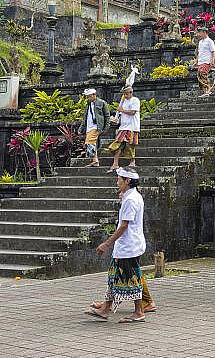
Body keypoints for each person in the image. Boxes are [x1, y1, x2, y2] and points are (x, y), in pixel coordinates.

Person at [85, 167, 147, 323]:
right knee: (114, 275)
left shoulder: (131, 199)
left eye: (119, 179)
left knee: (132, 278)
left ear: (128, 181)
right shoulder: (131, 196)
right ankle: (106, 308)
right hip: (126, 246)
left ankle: (139, 311)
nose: (117, 181)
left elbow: (124, 225)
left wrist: (107, 243)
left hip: (129, 246)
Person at [106, 86, 140, 173]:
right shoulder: (123, 101)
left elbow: (133, 112)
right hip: (123, 127)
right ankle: (115, 163)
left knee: (130, 144)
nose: (125, 95)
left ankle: (132, 161)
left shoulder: (135, 100)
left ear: (131, 93)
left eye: (126, 94)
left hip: (132, 127)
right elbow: (122, 114)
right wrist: (116, 120)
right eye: (124, 94)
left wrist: (122, 110)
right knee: (117, 144)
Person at [78, 88, 110, 167]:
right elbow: (85, 117)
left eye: (89, 96)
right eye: (87, 97)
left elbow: (107, 116)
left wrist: (106, 127)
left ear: (94, 95)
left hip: (96, 126)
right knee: (93, 143)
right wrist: (81, 128)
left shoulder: (102, 103)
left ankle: (90, 155)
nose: (88, 98)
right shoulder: (88, 104)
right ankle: (95, 161)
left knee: (89, 142)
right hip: (89, 126)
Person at [194, 26, 215, 98]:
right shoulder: (200, 42)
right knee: (199, 76)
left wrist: (212, 60)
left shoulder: (210, 41)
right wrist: (196, 61)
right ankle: (205, 91)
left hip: (206, 61)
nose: (199, 34)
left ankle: (208, 90)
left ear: (204, 32)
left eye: (200, 32)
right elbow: (199, 52)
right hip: (200, 61)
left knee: (203, 74)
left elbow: (213, 51)